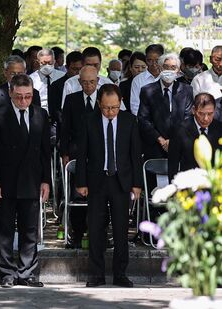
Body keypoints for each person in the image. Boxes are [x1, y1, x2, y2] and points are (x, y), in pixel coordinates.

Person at [0, 74, 50, 288]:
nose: (24, 101)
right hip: (5, 180)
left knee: (30, 228)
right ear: (11, 93)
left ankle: (27, 271)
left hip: (31, 178)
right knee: (3, 228)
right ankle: (6, 272)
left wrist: (46, 180)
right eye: (19, 96)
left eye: (28, 96)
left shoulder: (41, 114)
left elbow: (45, 152)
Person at [76, 84, 142, 288]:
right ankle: (96, 274)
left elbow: (135, 155)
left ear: (120, 103)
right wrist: (81, 182)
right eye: (106, 108)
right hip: (97, 181)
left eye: (114, 107)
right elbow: (82, 154)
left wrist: (137, 184)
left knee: (121, 229)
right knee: (96, 228)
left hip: (121, 181)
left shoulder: (129, 121)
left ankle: (120, 273)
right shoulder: (89, 121)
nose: (110, 112)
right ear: (99, 104)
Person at [60, 66, 100, 248]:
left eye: (92, 82)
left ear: (97, 81)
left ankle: (97, 233)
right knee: (77, 194)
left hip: (99, 155)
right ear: (79, 82)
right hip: (76, 154)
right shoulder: (71, 100)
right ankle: (76, 234)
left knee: (98, 196)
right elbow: (65, 128)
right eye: (84, 82)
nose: (88, 86)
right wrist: (65, 153)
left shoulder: (103, 99)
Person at [138, 53, 194, 161]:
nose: (169, 70)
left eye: (173, 67)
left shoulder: (187, 90)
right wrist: (161, 140)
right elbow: (143, 119)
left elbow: (188, 119)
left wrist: (173, 140)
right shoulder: (147, 90)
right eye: (166, 67)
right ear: (159, 68)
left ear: (178, 71)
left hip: (180, 146)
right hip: (155, 146)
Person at [168, 93, 222, 180]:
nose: (206, 118)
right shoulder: (180, 130)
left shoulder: (219, 129)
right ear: (193, 110)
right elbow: (173, 164)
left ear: (215, 110)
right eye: (201, 113)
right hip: (189, 185)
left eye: (210, 113)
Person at [48, 51, 84, 138]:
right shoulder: (56, 85)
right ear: (67, 67)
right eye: (74, 69)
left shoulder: (87, 84)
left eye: (80, 69)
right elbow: (54, 110)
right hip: (65, 130)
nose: (77, 73)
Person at [130, 44, 165, 115]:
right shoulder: (138, 80)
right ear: (146, 60)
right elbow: (135, 106)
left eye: (157, 60)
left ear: (162, 60)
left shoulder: (167, 78)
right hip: (144, 122)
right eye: (150, 60)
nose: (154, 64)